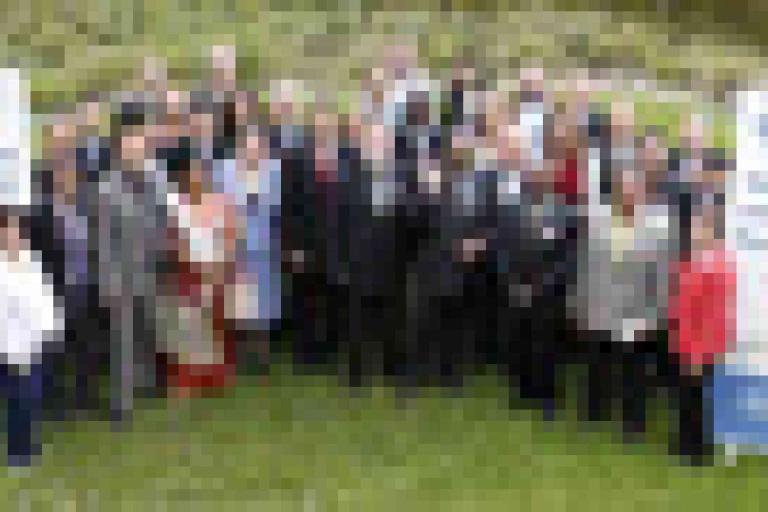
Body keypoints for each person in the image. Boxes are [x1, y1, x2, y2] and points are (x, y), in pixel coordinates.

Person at [0, 208, 64, 465]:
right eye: (7, 230)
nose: (13, 235)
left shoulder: (31, 262)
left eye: (16, 230)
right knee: (19, 397)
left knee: (29, 396)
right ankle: (18, 451)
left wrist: (49, 329)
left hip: (33, 341)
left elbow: (45, 298)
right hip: (10, 342)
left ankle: (25, 446)